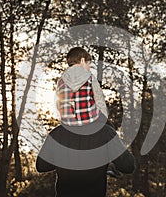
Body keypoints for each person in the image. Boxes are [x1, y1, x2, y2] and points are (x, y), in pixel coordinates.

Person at [36, 47, 135, 197]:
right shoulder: (105, 134)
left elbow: (41, 166)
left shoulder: (57, 135)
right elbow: (128, 166)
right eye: (89, 63)